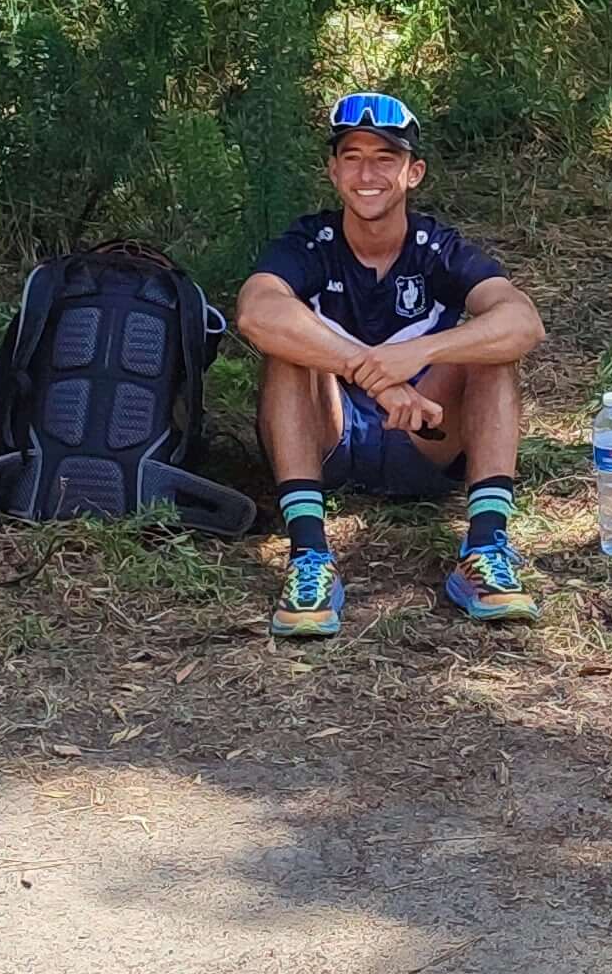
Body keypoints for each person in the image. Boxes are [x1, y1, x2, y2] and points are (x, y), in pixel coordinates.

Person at [233, 94, 548, 640]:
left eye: (385, 158)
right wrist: (370, 373)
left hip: (423, 435)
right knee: (286, 349)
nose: (367, 173)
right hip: (327, 437)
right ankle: (309, 557)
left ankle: (485, 549)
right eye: (352, 157)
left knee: (492, 352)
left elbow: (524, 322)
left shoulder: (437, 247)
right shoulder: (311, 241)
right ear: (334, 171)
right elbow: (256, 311)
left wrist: (419, 354)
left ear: (413, 172)